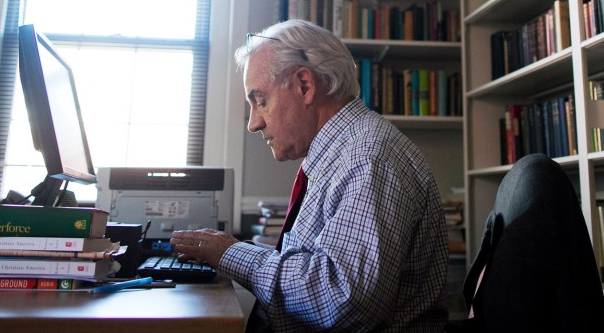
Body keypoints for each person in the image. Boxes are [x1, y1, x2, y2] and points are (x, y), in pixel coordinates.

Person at [170, 19, 448, 332]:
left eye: (260, 101)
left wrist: (230, 253)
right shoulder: (341, 153)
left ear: (304, 85)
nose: (253, 123)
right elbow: (316, 266)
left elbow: (341, 300)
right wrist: (228, 251)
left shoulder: (368, 159)